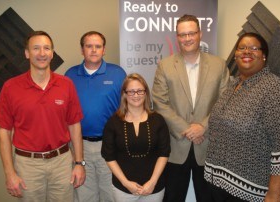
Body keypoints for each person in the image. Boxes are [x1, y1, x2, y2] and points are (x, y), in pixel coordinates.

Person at [204, 32, 280, 202]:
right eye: (242, 48)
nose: (247, 52)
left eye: (254, 48)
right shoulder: (233, 85)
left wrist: (274, 194)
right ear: (236, 53)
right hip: (219, 186)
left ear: (264, 56)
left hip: (254, 193)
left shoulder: (275, 89)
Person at [0, 31, 85, 202]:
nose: (42, 53)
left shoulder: (66, 84)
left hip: (62, 163)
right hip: (27, 165)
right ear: (27, 53)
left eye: (46, 48)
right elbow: (4, 133)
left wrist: (79, 163)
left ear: (52, 53)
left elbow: (74, 125)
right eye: (36, 48)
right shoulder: (10, 87)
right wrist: (9, 173)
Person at [152, 14, 230, 202]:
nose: (187, 38)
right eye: (182, 35)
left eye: (191, 33)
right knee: (172, 198)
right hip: (176, 149)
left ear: (200, 34)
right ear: (177, 37)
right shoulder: (165, 65)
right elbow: (159, 103)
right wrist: (187, 129)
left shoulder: (219, 65)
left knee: (209, 198)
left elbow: (226, 101)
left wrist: (203, 126)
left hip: (209, 147)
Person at [65, 31, 127, 202]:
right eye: (89, 46)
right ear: (82, 50)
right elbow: (65, 114)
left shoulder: (118, 74)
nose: (93, 50)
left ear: (104, 50)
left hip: (109, 145)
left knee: (111, 195)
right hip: (79, 146)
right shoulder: (70, 76)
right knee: (84, 196)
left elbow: (127, 110)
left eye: (98, 46)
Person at [101, 73, 170, 202]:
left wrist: (153, 182)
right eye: (131, 92)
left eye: (140, 91)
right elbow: (109, 156)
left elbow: (164, 153)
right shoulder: (113, 123)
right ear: (124, 94)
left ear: (146, 93)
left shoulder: (158, 120)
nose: (136, 95)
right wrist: (126, 183)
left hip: (153, 188)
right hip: (123, 189)